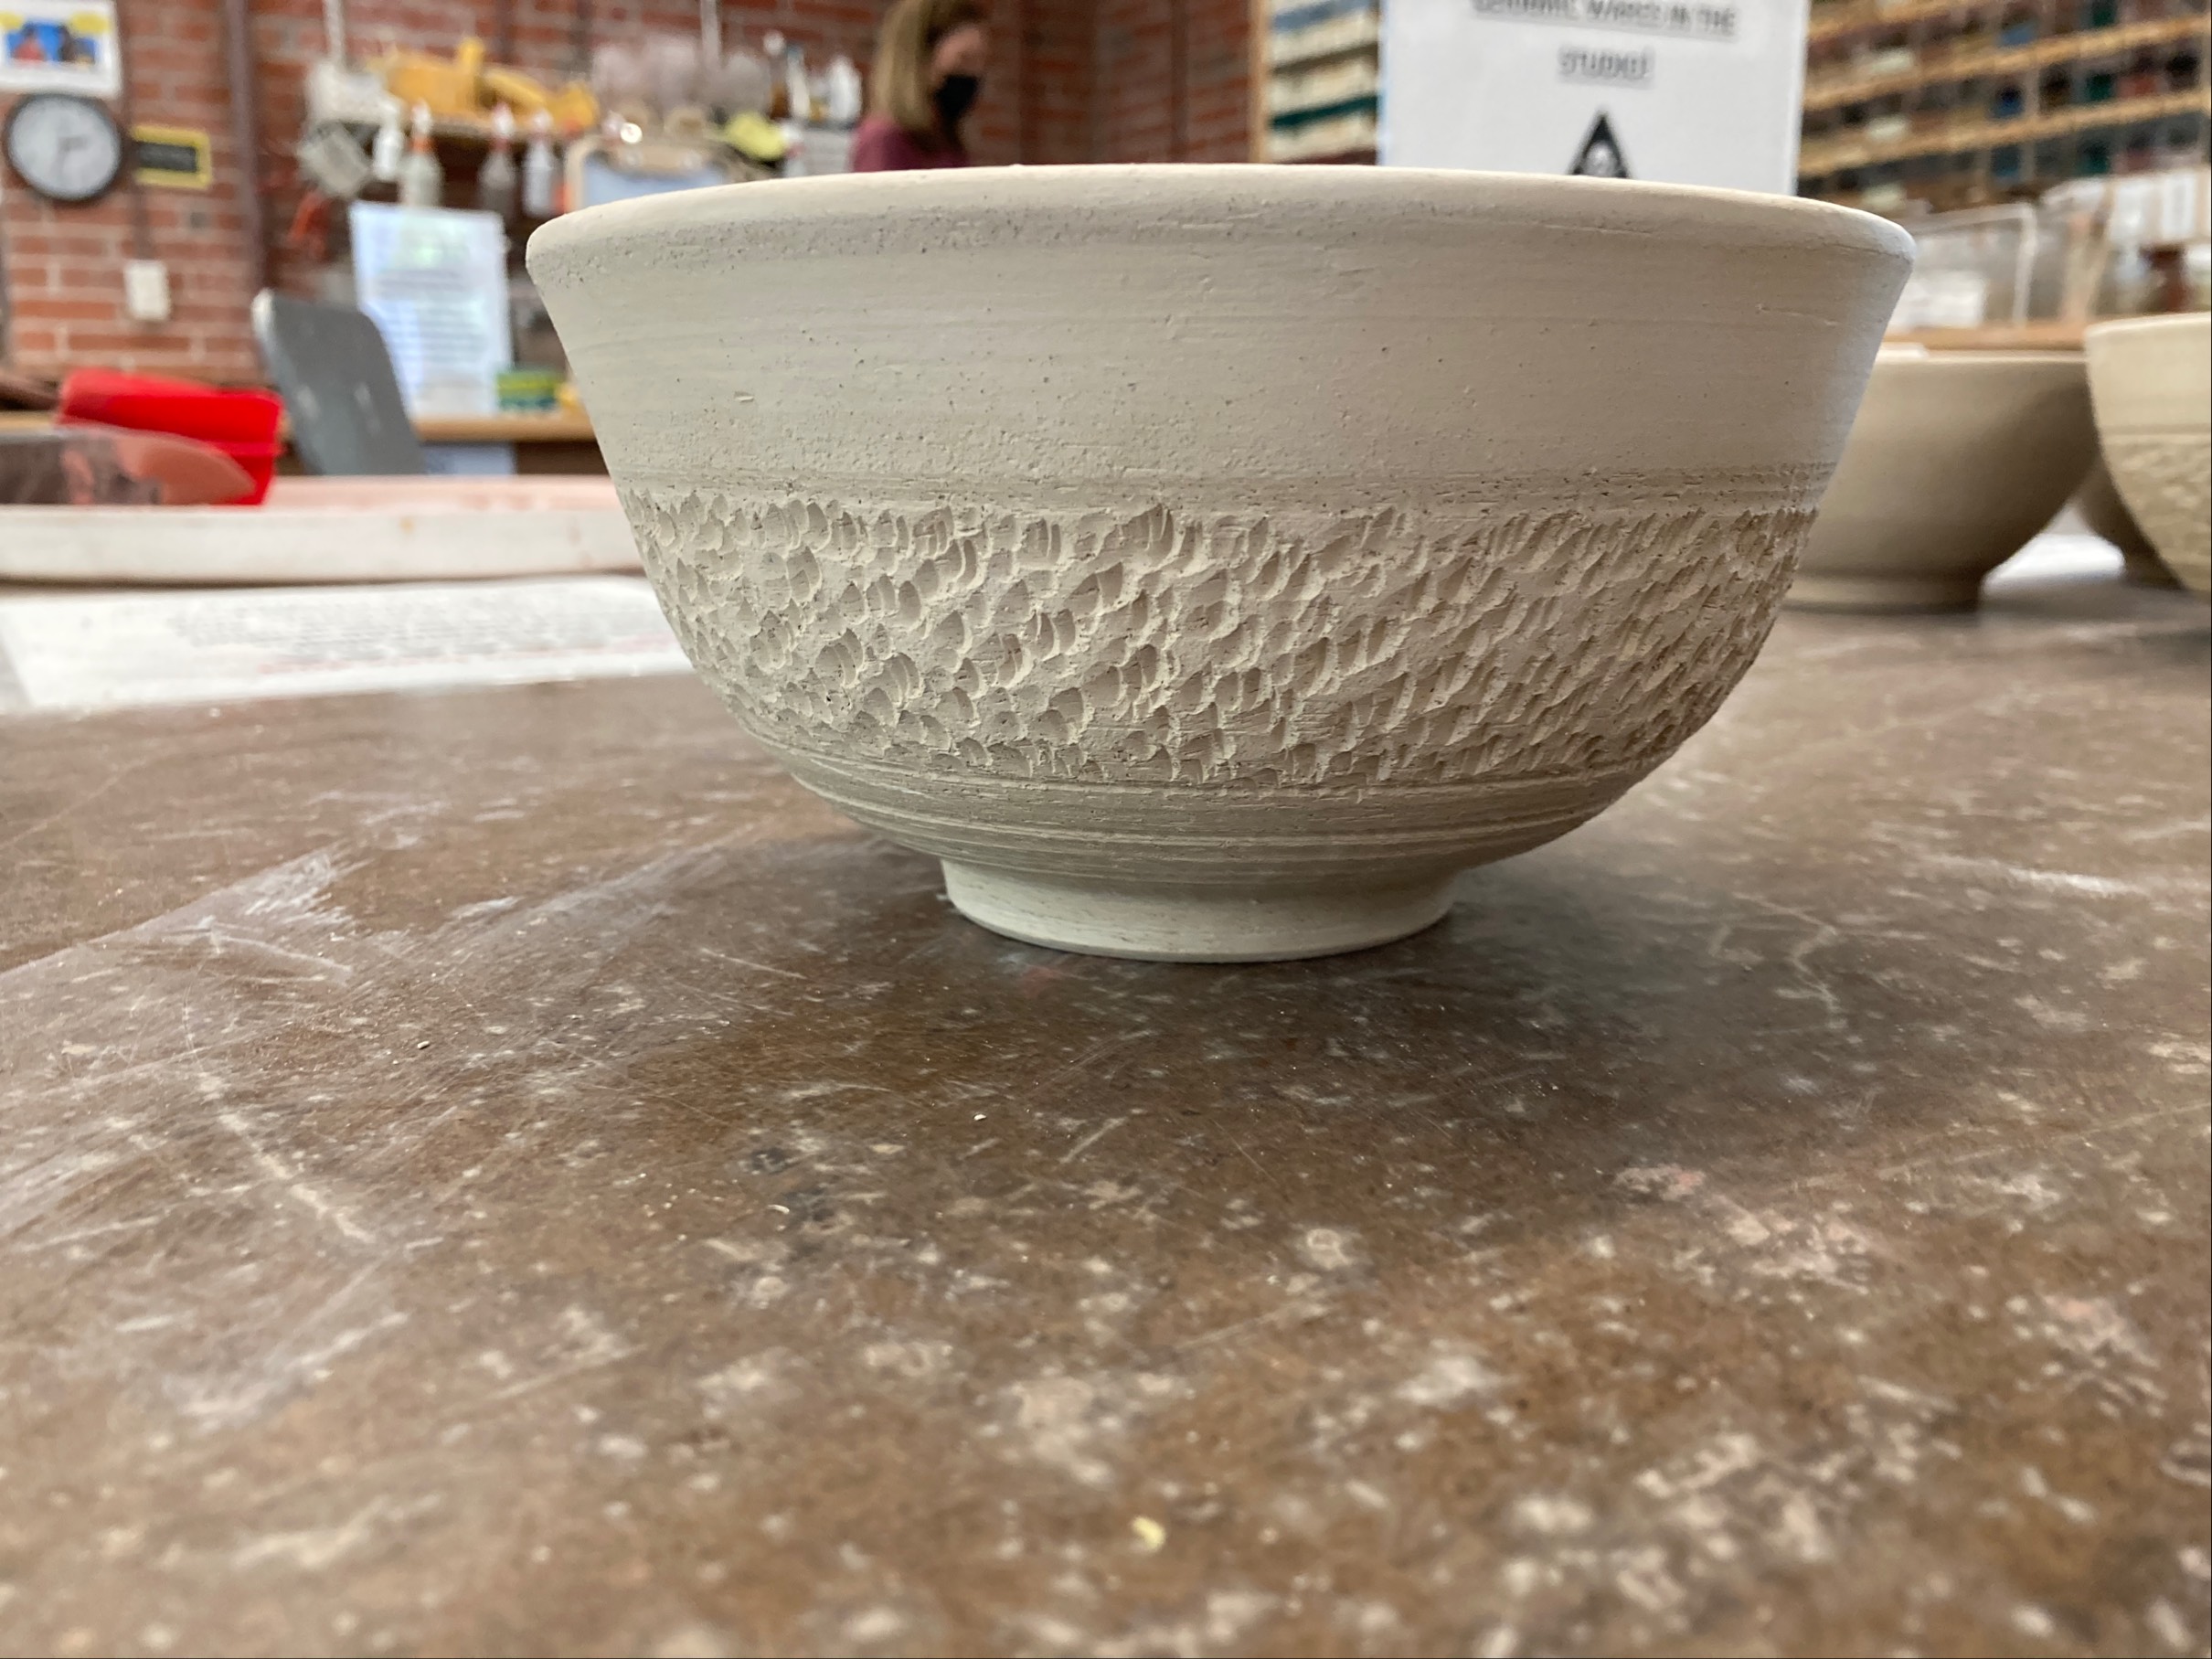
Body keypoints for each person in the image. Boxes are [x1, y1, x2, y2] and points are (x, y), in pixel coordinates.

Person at [851, 0, 987, 172]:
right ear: (920, 58)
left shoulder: (948, 142)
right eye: (964, 59)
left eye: (980, 61)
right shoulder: (883, 140)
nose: (973, 73)